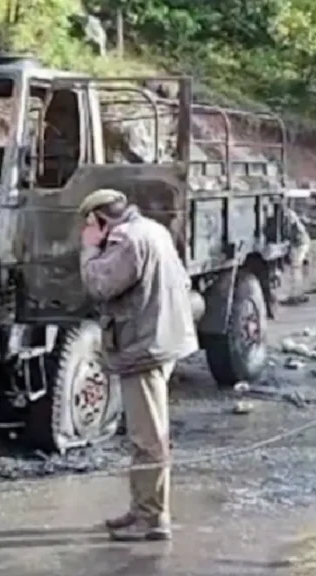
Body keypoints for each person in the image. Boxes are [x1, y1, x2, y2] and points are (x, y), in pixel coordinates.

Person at [77, 188, 196, 542]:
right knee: (147, 434)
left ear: (100, 218)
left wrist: (88, 249)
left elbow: (99, 284)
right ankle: (142, 509)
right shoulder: (151, 229)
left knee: (148, 438)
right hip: (161, 339)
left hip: (145, 348)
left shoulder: (126, 241)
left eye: (91, 224)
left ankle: (152, 518)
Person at [280, 205, 310, 304]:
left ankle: (295, 295)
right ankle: (299, 293)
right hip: (301, 243)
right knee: (296, 269)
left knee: (295, 269)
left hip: (299, 244)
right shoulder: (289, 214)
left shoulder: (288, 215)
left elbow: (289, 232)